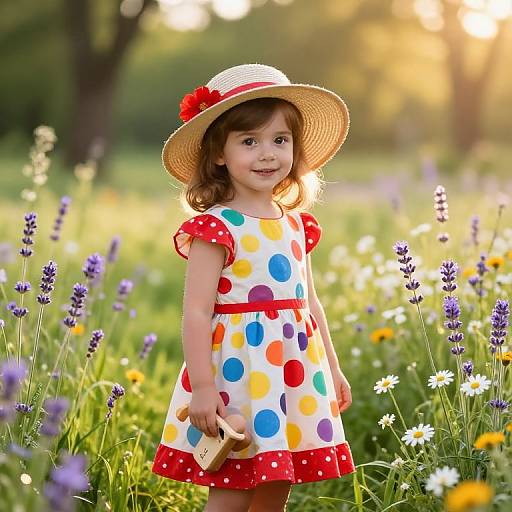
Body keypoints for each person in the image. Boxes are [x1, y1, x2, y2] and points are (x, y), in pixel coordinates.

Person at [152, 63, 355, 512]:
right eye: (250, 141)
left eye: (280, 140)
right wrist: (204, 388)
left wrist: (334, 369)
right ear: (219, 153)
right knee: (232, 488)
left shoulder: (297, 225)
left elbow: (310, 304)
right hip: (237, 376)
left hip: (293, 374)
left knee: (274, 489)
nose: (268, 154)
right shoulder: (217, 227)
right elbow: (196, 313)